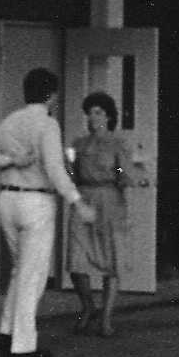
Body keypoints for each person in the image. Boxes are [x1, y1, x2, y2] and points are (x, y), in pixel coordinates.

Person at [0, 67, 93, 357]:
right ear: (52, 95)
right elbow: (55, 168)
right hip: (36, 201)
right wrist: (77, 201)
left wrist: (12, 159)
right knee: (33, 274)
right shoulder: (47, 124)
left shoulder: (10, 121)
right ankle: (22, 343)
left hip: (7, 198)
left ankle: (7, 331)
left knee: (21, 269)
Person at [65, 91, 130, 337]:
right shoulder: (78, 144)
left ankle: (106, 317)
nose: (93, 117)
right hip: (84, 197)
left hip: (109, 199)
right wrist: (68, 167)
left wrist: (126, 174)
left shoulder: (117, 142)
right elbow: (72, 174)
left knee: (110, 258)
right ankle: (88, 305)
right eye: (90, 113)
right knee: (76, 256)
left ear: (108, 116)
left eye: (98, 112)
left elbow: (122, 168)